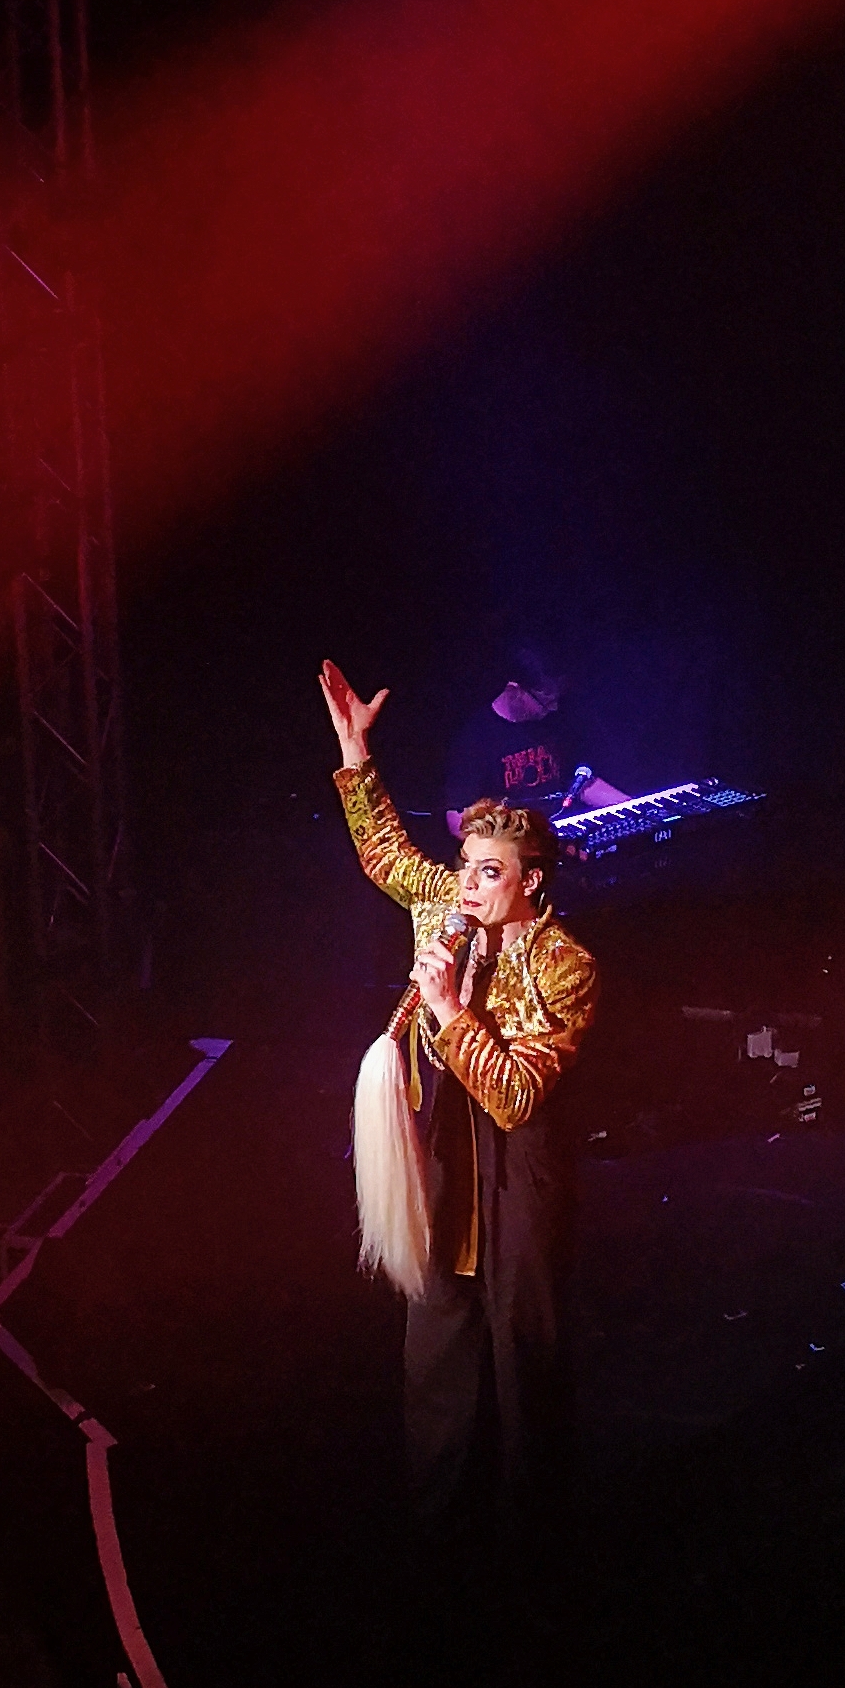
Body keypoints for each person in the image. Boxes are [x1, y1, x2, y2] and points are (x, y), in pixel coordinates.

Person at [320, 661, 600, 1550]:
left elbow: (516, 1096)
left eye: (488, 872)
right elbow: (386, 855)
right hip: (442, 1145)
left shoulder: (566, 965)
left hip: (518, 1169)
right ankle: (434, 1530)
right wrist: (356, 756)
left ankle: (533, 1542)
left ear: (532, 882)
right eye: (466, 866)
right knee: (436, 1339)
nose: (467, 885)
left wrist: (446, 1010)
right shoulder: (444, 903)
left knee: (524, 1356)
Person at [442, 642, 629, 840]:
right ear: (514, 690)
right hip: (515, 844)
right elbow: (457, 822)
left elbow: (581, 784)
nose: (554, 708)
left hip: (560, 836)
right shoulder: (475, 739)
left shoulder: (552, 722)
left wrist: (633, 807)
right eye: (545, 702)